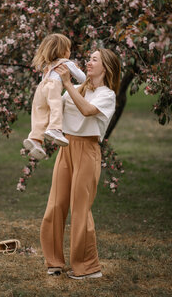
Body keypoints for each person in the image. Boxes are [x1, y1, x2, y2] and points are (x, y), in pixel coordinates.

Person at [40, 48, 121, 279]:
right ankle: (54, 262)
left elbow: (86, 110)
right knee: (56, 205)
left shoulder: (107, 95)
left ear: (105, 67)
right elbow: (56, 106)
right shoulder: (76, 88)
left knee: (80, 208)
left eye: (94, 59)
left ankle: (87, 268)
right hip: (66, 148)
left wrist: (66, 83)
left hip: (87, 150)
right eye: (89, 58)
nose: (88, 62)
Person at [23, 33, 86, 160]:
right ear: (63, 51)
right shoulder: (67, 63)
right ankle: (55, 129)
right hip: (53, 87)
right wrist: (77, 69)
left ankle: (35, 138)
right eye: (68, 49)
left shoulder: (47, 66)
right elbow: (83, 79)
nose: (69, 52)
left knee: (41, 112)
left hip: (41, 89)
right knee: (55, 108)